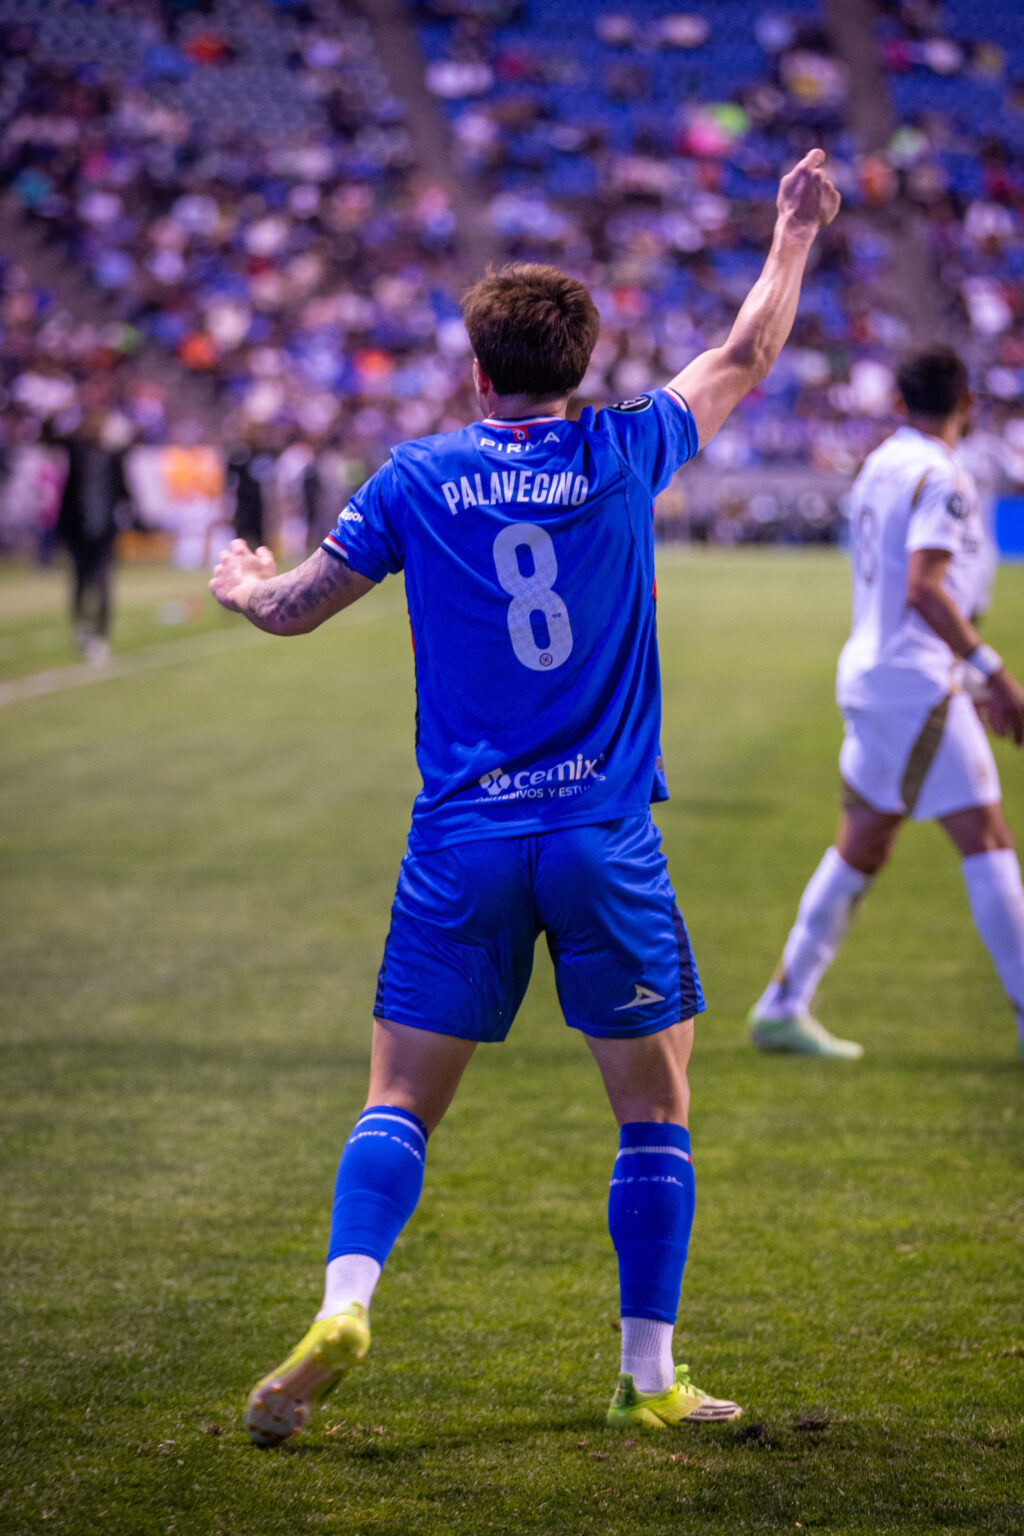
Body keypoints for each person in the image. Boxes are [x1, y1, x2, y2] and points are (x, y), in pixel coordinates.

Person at [210, 148, 840, 1444]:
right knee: (654, 1111)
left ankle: (346, 1299)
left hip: (463, 845)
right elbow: (743, 357)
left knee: (397, 1105)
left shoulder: (417, 476)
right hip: (602, 833)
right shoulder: (624, 451)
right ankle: (649, 1374)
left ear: (477, 368)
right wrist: (791, 236)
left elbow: (289, 611)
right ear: (583, 365)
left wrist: (240, 583)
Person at [749, 347, 1024, 1061]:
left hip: (872, 672)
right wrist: (992, 672)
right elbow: (925, 588)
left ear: (899, 403)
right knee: (987, 838)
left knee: (863, 843)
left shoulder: (881, 463)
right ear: (966, 400)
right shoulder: (944, 474)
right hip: (913, 680)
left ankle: (783, 1003)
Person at [55, 410, 134, 665]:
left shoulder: (113, 457)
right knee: (79, 583)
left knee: (102, 585)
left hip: (104, 532)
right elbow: (52, 435)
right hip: (78, 531)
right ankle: (81, 629)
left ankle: (101, 637)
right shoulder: (77, 453)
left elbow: (123, 491)